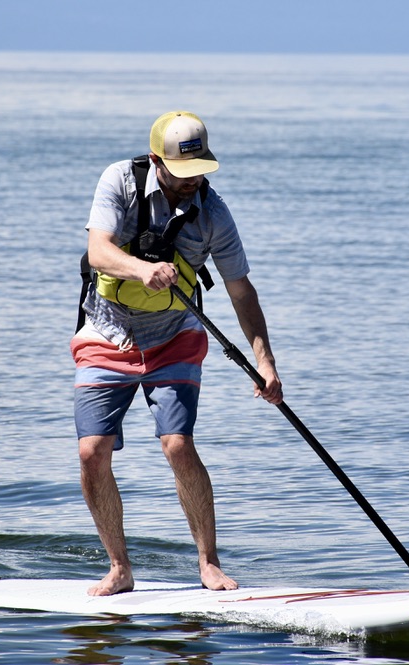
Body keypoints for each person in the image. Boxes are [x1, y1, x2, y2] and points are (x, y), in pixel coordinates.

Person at [71, 111, 282, 596]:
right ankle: (119, 568)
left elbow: (240, 290)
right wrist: (139, 270)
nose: (192, 183)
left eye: (200, 172)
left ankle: (208, 563)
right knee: (91, 452)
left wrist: (265, 360)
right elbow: (99, 252)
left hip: (175, 334)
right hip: (107, 331)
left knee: (178, 444)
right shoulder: (119, 181)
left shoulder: (214, 214)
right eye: (182, 173)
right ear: (155, 161)